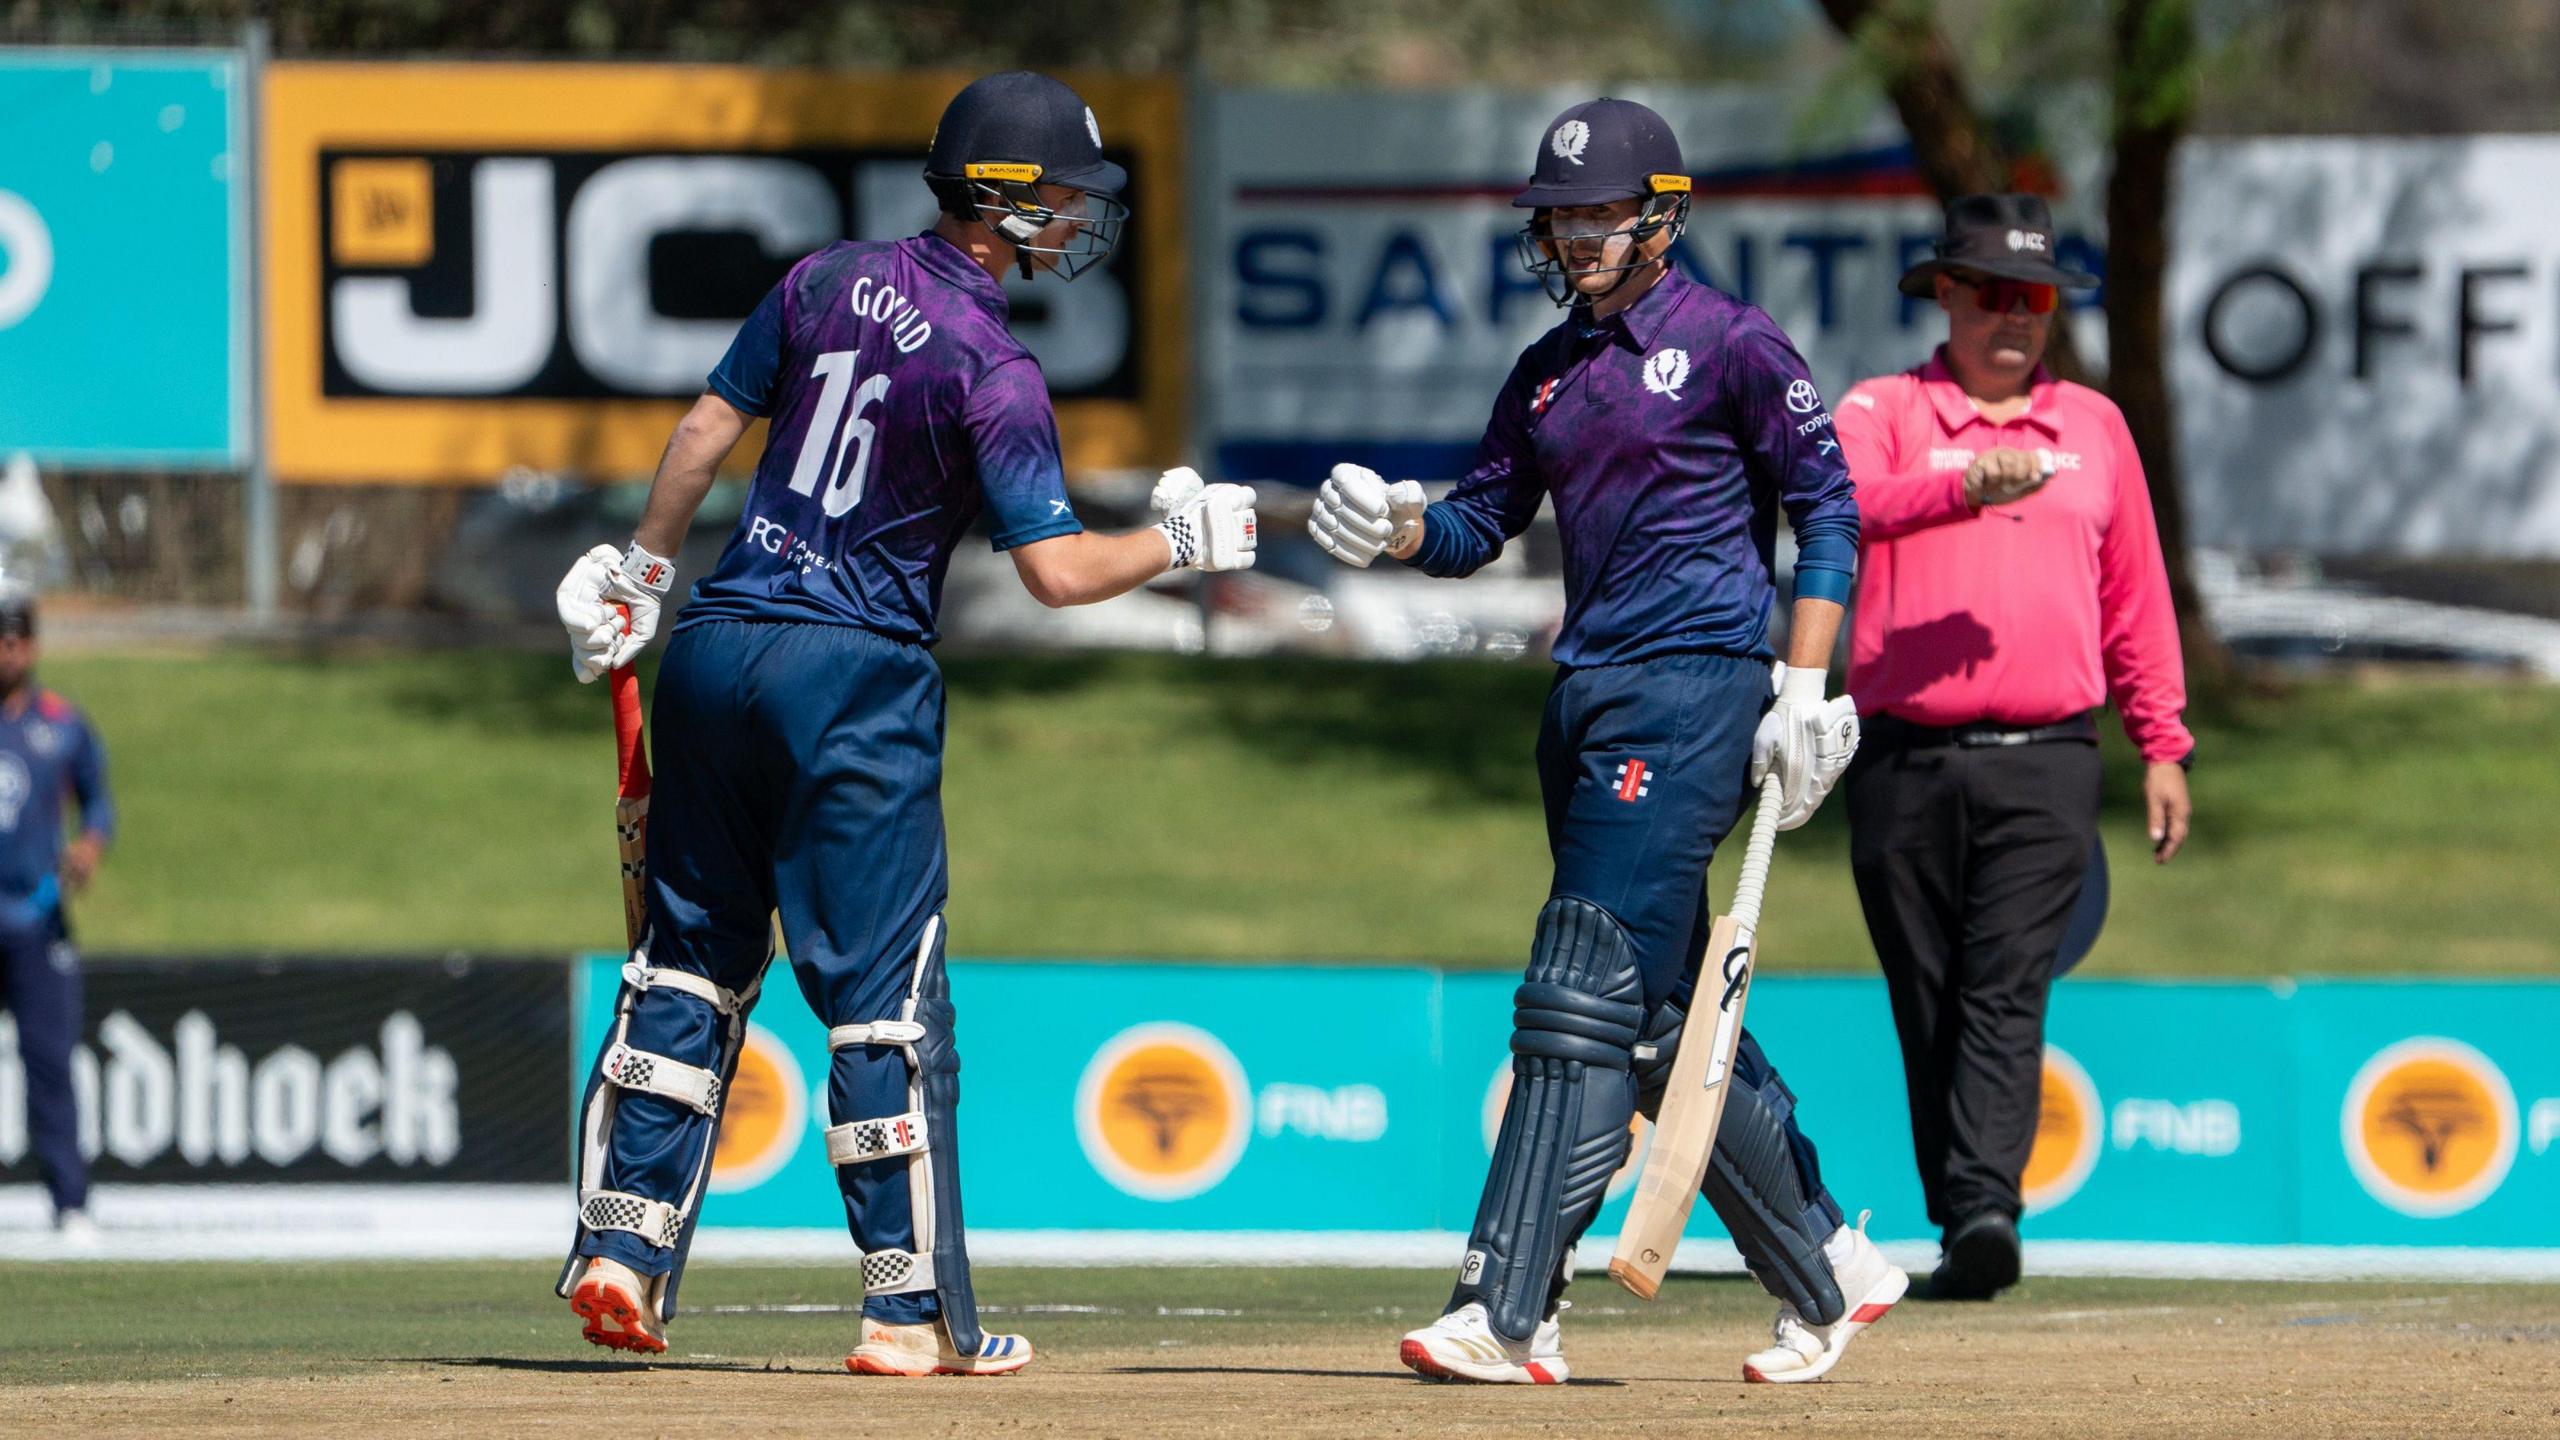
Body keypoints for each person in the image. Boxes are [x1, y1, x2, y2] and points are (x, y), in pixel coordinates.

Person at [548, 71, 1257, 1374]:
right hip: (853, 676)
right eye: (1062, 198)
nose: (1077, 220)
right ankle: (907, 1312)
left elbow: (706, 432)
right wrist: (1178, 540)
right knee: (884, 1004)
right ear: (1005, 201)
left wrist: (644, 573)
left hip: (715, 643)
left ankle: (621, 1249)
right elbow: (1053, 575)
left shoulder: (822, 280)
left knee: (690, 962)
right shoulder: (995, 365)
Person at [1308, 98, 1904, 1386]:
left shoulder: (1734, 344)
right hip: (1583, 695)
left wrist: (1802, 690)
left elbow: (1830, 512)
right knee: (1651, 1015)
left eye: (1596, 212)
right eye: (1557, 215)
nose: (1573, 236)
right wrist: (1398, 529)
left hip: (1695, 685)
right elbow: (1481, 526)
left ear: (1662, 215)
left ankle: (1509, 1304)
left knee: (1579, 979)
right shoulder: (1545, 371)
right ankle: (1829, 1269)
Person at [1834, 193, 2193, 1301]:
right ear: (1944, 294)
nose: (2013, 317)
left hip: (2047, 758)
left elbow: (2136, 594)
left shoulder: (2093, 428)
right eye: (1990, 292)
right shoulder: (1884, 407)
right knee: (1926, 991)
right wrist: (1954, 486)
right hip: (1901, 755)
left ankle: (1984, 1208)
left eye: (2033, 297)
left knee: (2003, 986)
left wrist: (2162, 742)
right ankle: (1962, 1211)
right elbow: (1836, 505)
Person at [0, 586, 114, 1248]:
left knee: (49, 1063)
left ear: (33, 646)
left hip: (37, 918)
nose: (7, 651)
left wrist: (90, 847)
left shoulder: (62, 724)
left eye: (17, 639)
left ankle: (71, 1205)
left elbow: (100, 803)